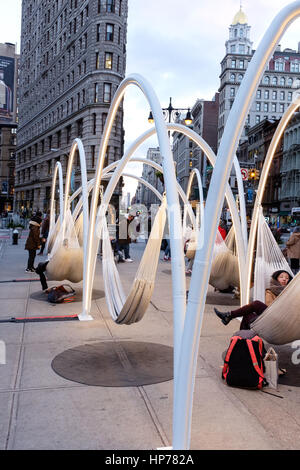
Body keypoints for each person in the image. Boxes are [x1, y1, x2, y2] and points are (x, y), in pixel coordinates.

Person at [214, 270, 293, 330]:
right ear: (276, 279)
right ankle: (242, 341)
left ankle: (229, 315)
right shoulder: (270, 291)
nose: (284, 279)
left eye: (287, 278)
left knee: (256, 304)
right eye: (281, 277)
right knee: (247, 315)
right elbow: (270, 307)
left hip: (282, 319)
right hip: (270, 316)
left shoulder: (290, 291)